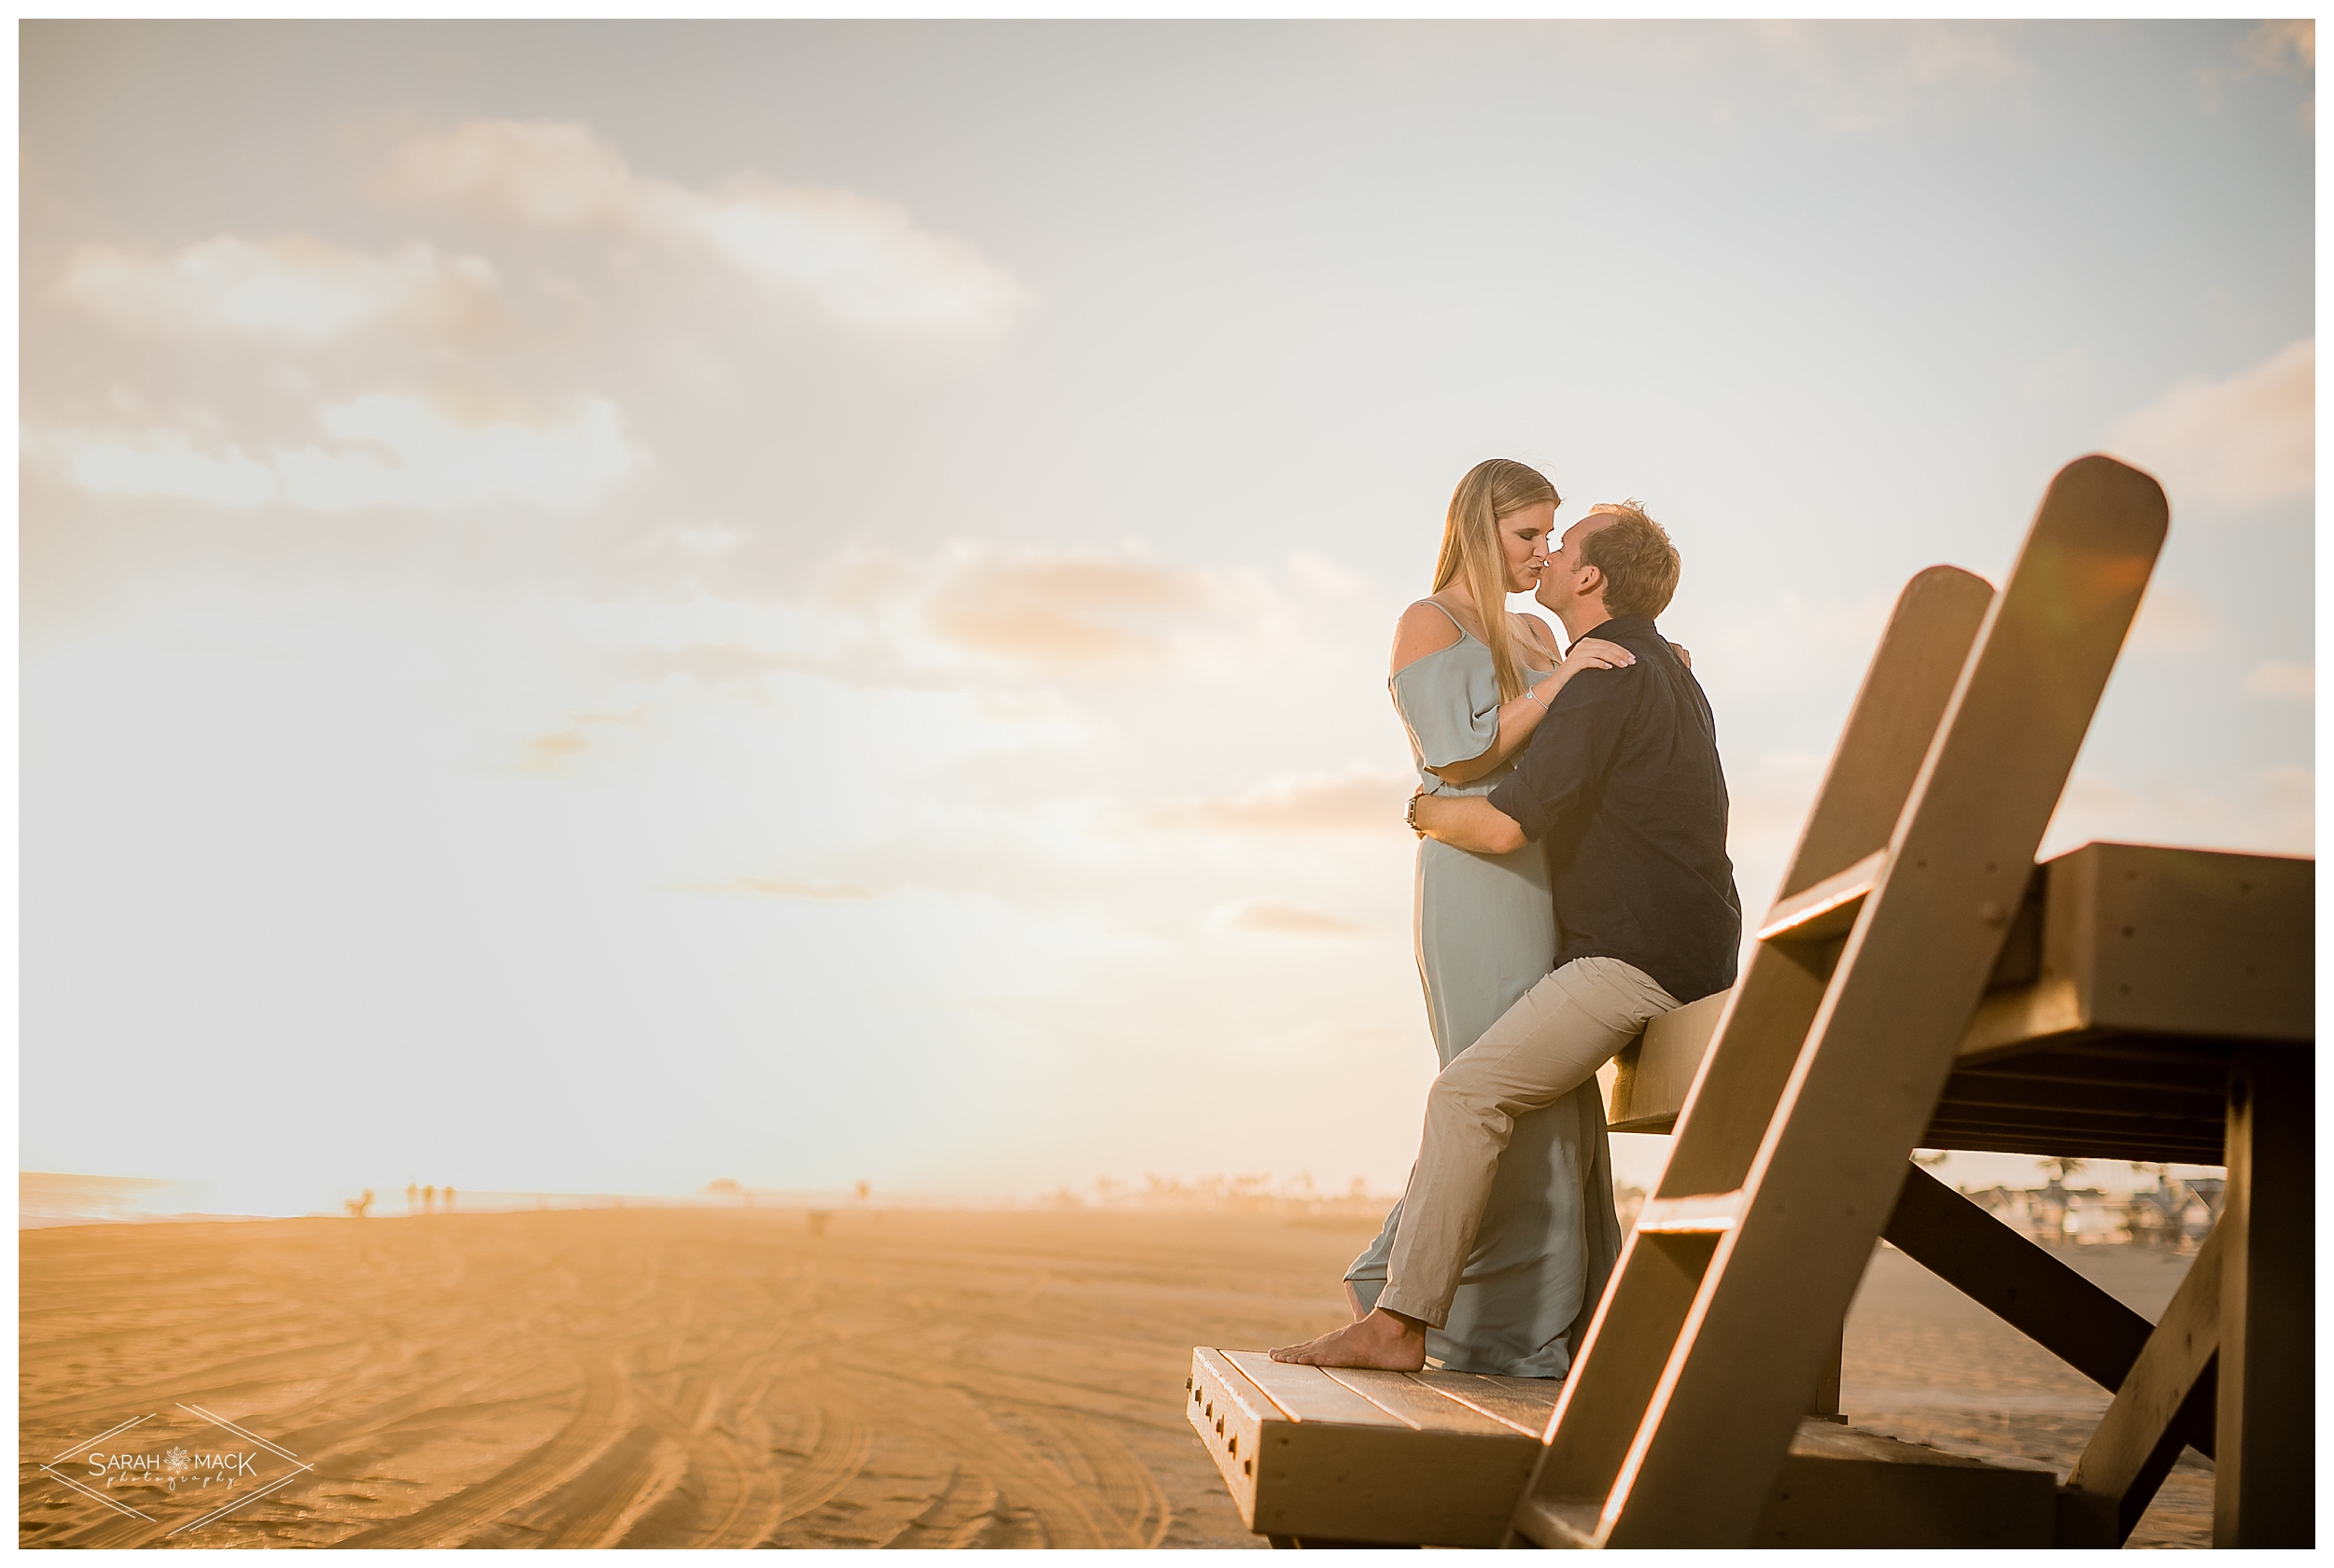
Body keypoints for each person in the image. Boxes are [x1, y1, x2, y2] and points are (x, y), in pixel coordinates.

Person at [1275, 500, 1740, 1372]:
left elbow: (1500, 829)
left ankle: (1394, 1325)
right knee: (1515, 1103)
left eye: (1562, 544)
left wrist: (1422, 809)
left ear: (1590, 577)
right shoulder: (1663, 669)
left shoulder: (1609, 674)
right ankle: (1463, 1301)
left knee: (1466, 1096)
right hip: (1698, 953)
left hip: (1635, 960)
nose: (1550, 554)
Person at [1343, 458, 1639, 1379]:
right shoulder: (1426, 621)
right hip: (1475, 879)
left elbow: (1583, 746)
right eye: (1526, 535)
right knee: (1497, 1090)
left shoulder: (1537, 628)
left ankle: (1530, 1321)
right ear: (1477, 527)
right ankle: (1492, 1332)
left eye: (1552, 536)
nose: (1541, 552)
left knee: (1548, 1095)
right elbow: (1460, 754)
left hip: (1549, 878)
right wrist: (1563, 681)